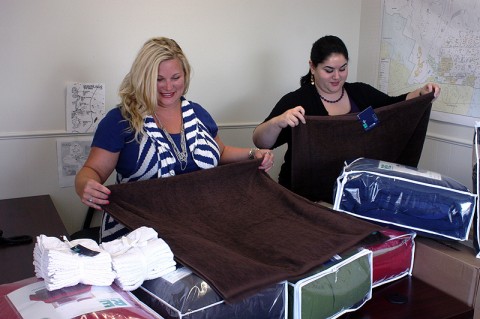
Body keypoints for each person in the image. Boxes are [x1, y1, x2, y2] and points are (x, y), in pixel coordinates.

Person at [75, 37, 274, 242]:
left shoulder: (198, 114)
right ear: (143, 77)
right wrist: (85, 185)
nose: (168, 86)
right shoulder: (120, 120)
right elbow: (93, 171)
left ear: (185, 76)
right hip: (139, 236)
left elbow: (220, 152)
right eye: (158, 79)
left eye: (175, 77)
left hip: (199, 229)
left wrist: (253, 154)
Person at [253, 35, 440, 190]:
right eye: (329, 70)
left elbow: (395, 108)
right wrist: (278, 121)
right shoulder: (297, 100)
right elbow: (260, 141)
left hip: (355, 194)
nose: (337, 76)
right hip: (305, 196)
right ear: (312, 66)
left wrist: (421, 94)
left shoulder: (361, 93)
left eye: (343, 69)